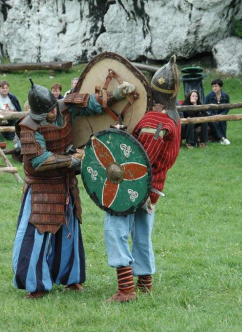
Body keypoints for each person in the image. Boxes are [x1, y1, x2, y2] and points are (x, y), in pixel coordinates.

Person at [12, 78, 135, 299]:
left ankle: (71, 279)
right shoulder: (28, 127)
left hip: (66, 182)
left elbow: (93, 104)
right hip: (42, 187)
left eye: (53, 108)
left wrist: (117, 94)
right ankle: (36, 284)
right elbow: (40, 160)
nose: (52, 114)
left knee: (70, 232)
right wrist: (76, 161)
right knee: (37, 233)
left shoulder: (64, 107)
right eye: (47, 112)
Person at [103, 55, 181, 303]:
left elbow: (139, 160)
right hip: (155, 187)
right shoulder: (174, 118)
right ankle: (145, 284)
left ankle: (126, 290)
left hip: (134, 185)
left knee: (114, 230)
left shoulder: (154, 120)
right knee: (142, 234)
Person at [205, 78, 231, 145]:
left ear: (220, 87)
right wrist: (212, 115)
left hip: (221, 115)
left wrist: (222, 114)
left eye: (216, 86)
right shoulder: (208, 96)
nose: (214, 88)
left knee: (222, 120)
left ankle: (223, 138)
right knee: (213, 121)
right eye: (213, 86)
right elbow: (205, 108)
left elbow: (227, 107)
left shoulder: (226, 96)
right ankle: (222, 138)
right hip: (211, 115)